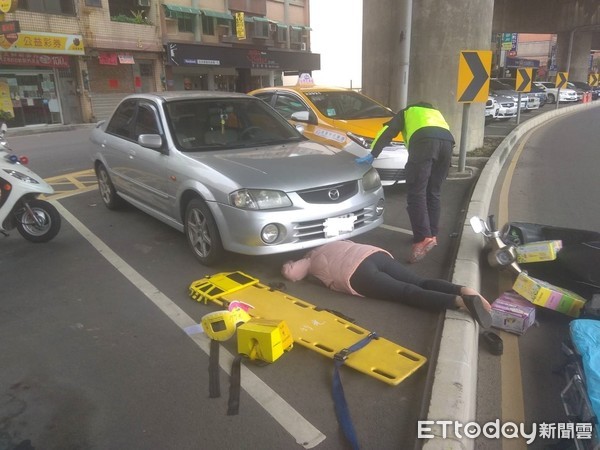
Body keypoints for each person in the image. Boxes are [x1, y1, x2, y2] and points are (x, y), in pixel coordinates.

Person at [281, 240, 492, 328]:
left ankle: (457, 301)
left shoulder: (309, 259)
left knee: (406, 292)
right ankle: (463, 290)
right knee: (420, 281)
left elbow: (291, 274)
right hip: (374, 255)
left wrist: (291, 262)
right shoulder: (334, 243)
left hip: (356, 273)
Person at [356, 102, 455, 263]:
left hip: (424, 143)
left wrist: (373, 153)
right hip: (448, 145)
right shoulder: (436, 113)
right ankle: (432, 234)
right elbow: (443, 135)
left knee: (417, 193)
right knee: (433, 192)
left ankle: (423, 238)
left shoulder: (407, 112)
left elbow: (388, 131)